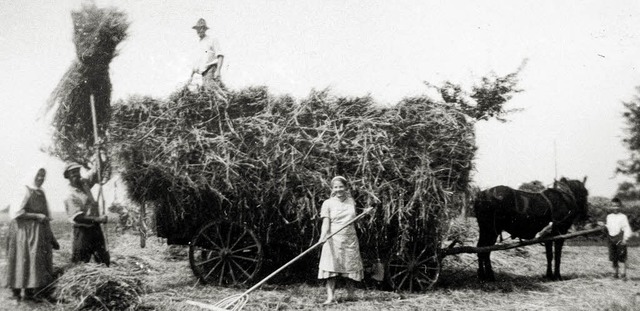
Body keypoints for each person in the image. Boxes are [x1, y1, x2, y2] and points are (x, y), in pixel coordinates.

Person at [4, 167, 59, 302]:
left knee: (33, 261)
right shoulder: (24, 190)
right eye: (38, 175)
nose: (41, 178)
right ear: (32, 175)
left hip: (37, 232)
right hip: (22, 232)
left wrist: (50, 236)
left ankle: (29, 293)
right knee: (21, 258)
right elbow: (17, 213)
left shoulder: (41, 192)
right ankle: (16, 293)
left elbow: (46, 215)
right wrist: (36, 215)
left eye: (43, 176)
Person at [318, 176, 364, 304]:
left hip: (350, 238)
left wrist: (365, 213)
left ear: (346, 187)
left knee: (349, 268)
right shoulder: (327, 203)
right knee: (331, 269)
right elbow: (326, 222)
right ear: (332, 189)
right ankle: (330, 297)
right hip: (333, 238)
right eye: (335, 187)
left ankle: (351, 295)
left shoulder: (351, 201)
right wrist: (323, 236)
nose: (338, 189)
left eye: (341, 186)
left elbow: (353, 219)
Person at [63, 161, 110, 266]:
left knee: (103, 261)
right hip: (82, 232)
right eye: (73, 173)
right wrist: (99, 219)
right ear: (68, 176)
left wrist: (100, 157)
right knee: (81, 264)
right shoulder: (70, 195)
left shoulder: (84, 183)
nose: (76, 174)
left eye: (77, 171)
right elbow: (78, 218)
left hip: (95, 229)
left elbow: (95, 172)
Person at [190, 18, 224, 92]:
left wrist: (218, 71)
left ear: (205, 29)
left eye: (202, 28)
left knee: (211, 91)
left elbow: (220, 55)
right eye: (198, 29)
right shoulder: (199, 44)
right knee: (205, 93)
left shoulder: (212, 39)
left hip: (211, 70)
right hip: (203, 74)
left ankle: (224, 101)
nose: (199, 30)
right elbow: (198, 61)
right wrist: (192, 74)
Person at [605, 197, 633, 279]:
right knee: (613, 257)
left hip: (620, 238)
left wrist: (625, 239)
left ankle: (624, 274)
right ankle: (615, 273)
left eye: (617, 206)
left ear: (620, 206)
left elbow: (626, 228)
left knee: (622, 256)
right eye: (613, 206)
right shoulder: (609, 216)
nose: (615, 208)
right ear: (610, 207)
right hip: (611, 238)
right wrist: (604, 226)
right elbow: (608, 226)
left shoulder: (623, 217)